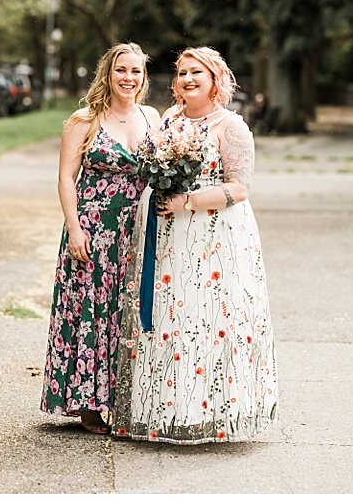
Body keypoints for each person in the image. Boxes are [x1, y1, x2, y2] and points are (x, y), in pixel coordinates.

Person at [111, 47, 278, 444]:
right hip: (172, 235)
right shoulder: (168, 119)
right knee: (174, 317)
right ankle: (170, 410)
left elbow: (240, 187)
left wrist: (188, 202)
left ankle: (212, 414)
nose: (187, 79)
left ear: (214, 80)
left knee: (211, 318)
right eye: (182, 73)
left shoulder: (230, 126)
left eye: (196, 73)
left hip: (217, 236)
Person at [40, 43, 158, 434]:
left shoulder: (152, 117)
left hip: (136, 228)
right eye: (121, 70)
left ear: (143, 78)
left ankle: (124, 397)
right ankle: (88, 403)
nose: (128, 78)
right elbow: (64, 177)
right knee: (92, 310)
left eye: (136, 72)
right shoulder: (84, 120)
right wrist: (74, 228)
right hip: (93, 227)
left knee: (126, 311)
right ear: (107, 74)